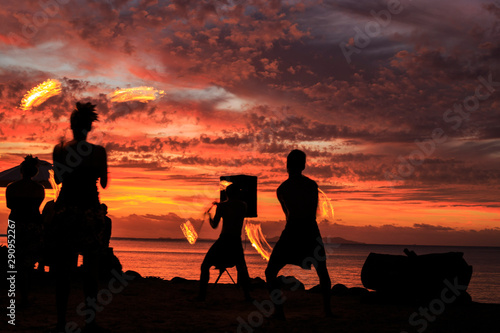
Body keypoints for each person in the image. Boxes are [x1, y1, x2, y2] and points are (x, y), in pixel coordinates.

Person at [51, 101, 108, 333]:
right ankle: (90, 322)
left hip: (65, 211)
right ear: (90, 127)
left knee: (63, 270)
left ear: (71, 125)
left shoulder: (60, 150)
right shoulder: (98, 152)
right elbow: (103, 183)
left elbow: (59, 180)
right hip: (89, 211)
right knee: (90, 271)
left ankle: (60, 322)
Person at [265, 149, 332, 319]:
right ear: (303, 165)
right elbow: (311, 210)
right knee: (321, 270)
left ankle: (279, 311)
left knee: (271, 271)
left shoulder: (282, 189)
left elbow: (288, 215)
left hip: (295, 229)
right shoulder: (310, 185)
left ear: (288, 165)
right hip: (308, 229)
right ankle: (327, 310)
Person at [197, 184, 252, 301]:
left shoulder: (222, 207)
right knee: (242, 268)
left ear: (227, 194)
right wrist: (220, 205)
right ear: (237, 194)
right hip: (236, 240)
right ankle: (247, 296)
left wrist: (209, 216)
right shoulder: (243, 206)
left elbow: (214, 225)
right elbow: (232, 206)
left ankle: (201, 296)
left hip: (224, 240)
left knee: (205, 265)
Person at [6, 155, 45, 307]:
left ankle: (22, 295)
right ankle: (25, 295)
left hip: (16, 224)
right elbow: (38, 206)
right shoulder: (39, 188)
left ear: (21, 171)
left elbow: (10, 205)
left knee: (17, 261)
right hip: (33, 225)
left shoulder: (11, 187)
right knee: (29, 262)